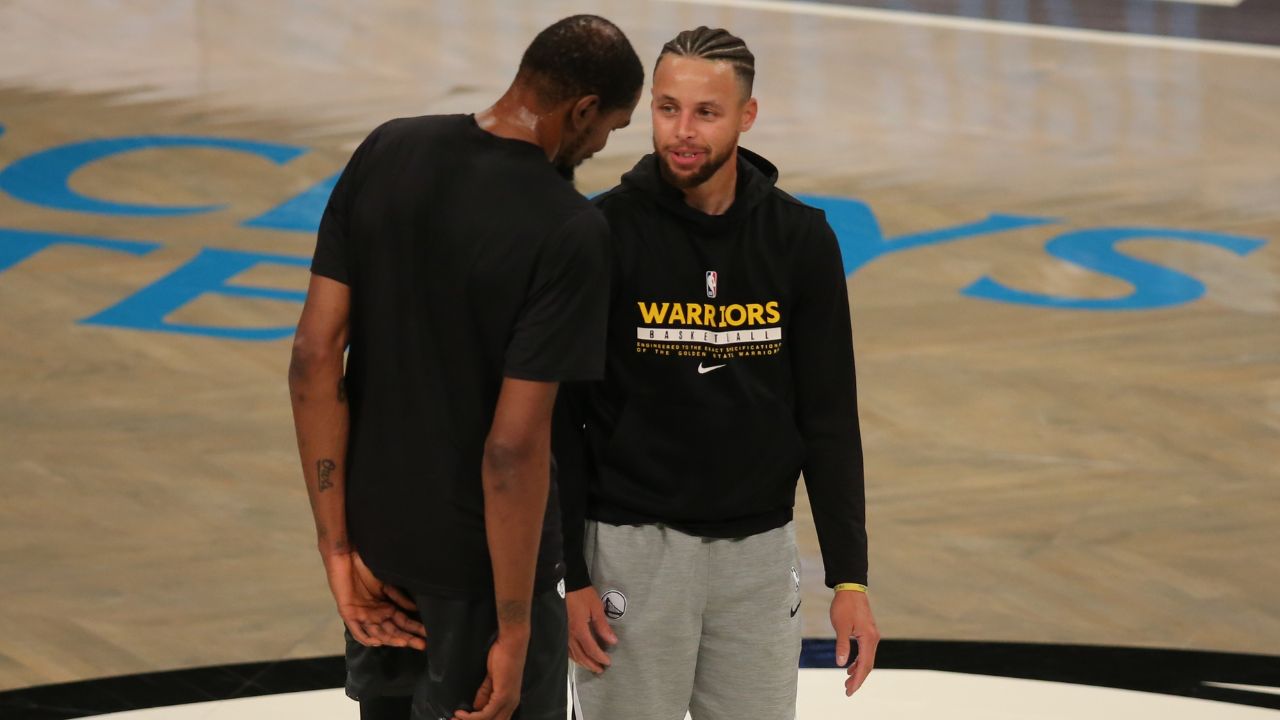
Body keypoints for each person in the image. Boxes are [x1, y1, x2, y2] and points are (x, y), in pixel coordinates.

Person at [288, 15, 642, 720]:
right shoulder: (570, 229)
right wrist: (514, 630)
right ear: (581, 111)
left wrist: (338, 550)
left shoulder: (389, 148)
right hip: (484, 578)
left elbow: (312, 358)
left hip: (378, 567)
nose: (604, 144)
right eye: (612, 126)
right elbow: (512, 451)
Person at [556, 26, 879, 720]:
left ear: (746, 115)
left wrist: (849, 579)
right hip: (630, 551)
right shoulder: (599, 234)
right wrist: (570, 575)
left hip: (758, 557)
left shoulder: (800, 239)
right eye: (668, 108)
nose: (683, 131)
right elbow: (561, 420)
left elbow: (827, 417)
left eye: (706, 112)